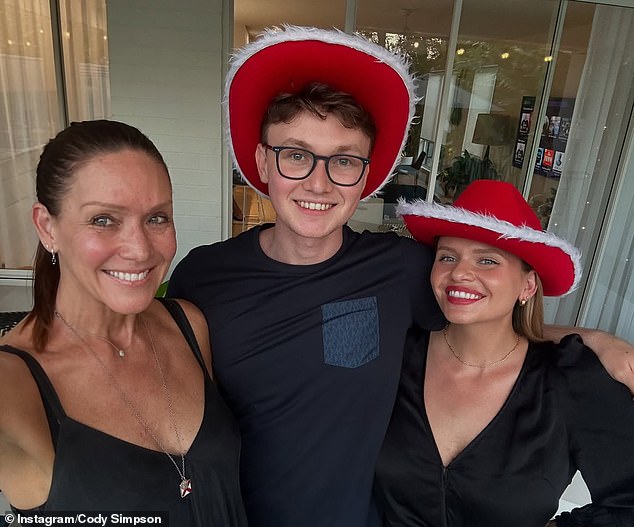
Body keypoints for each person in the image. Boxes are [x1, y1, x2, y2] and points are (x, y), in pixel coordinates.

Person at [167, 26, 634, 527]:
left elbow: (480, 314)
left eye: (343, 161)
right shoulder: (205, 275)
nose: (318, 183)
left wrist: (590, 342)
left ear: (366, 177)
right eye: (296, 155)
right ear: (262, 160)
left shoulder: (399, 269)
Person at [0, 120, 247, 525]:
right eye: (103, 220)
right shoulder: (15, 384)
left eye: (156, 218)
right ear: (47, 226)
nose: (139, 249)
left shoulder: (188, 324)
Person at [374, 180, 634, 526]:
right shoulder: (395, 352)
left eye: (487, 261)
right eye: (447, 256)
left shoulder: (572, 380)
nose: (460, 273)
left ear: (527, 285)